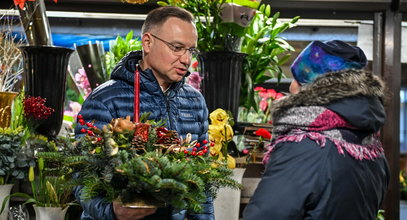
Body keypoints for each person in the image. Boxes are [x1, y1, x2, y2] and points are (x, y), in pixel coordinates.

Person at [73, 6, 213, 220]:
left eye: (190, 50)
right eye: (177, 47)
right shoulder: (106, 99)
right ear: (148, 42)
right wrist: (112, 212)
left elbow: (202, 183)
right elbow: (82, 176)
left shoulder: (194, 101)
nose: (186, 59)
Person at [243, 40, 389, 220]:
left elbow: (266, 215)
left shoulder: (304, 146)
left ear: (311, 86)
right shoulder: (373, 148)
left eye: (297, 77)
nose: (291, 87)